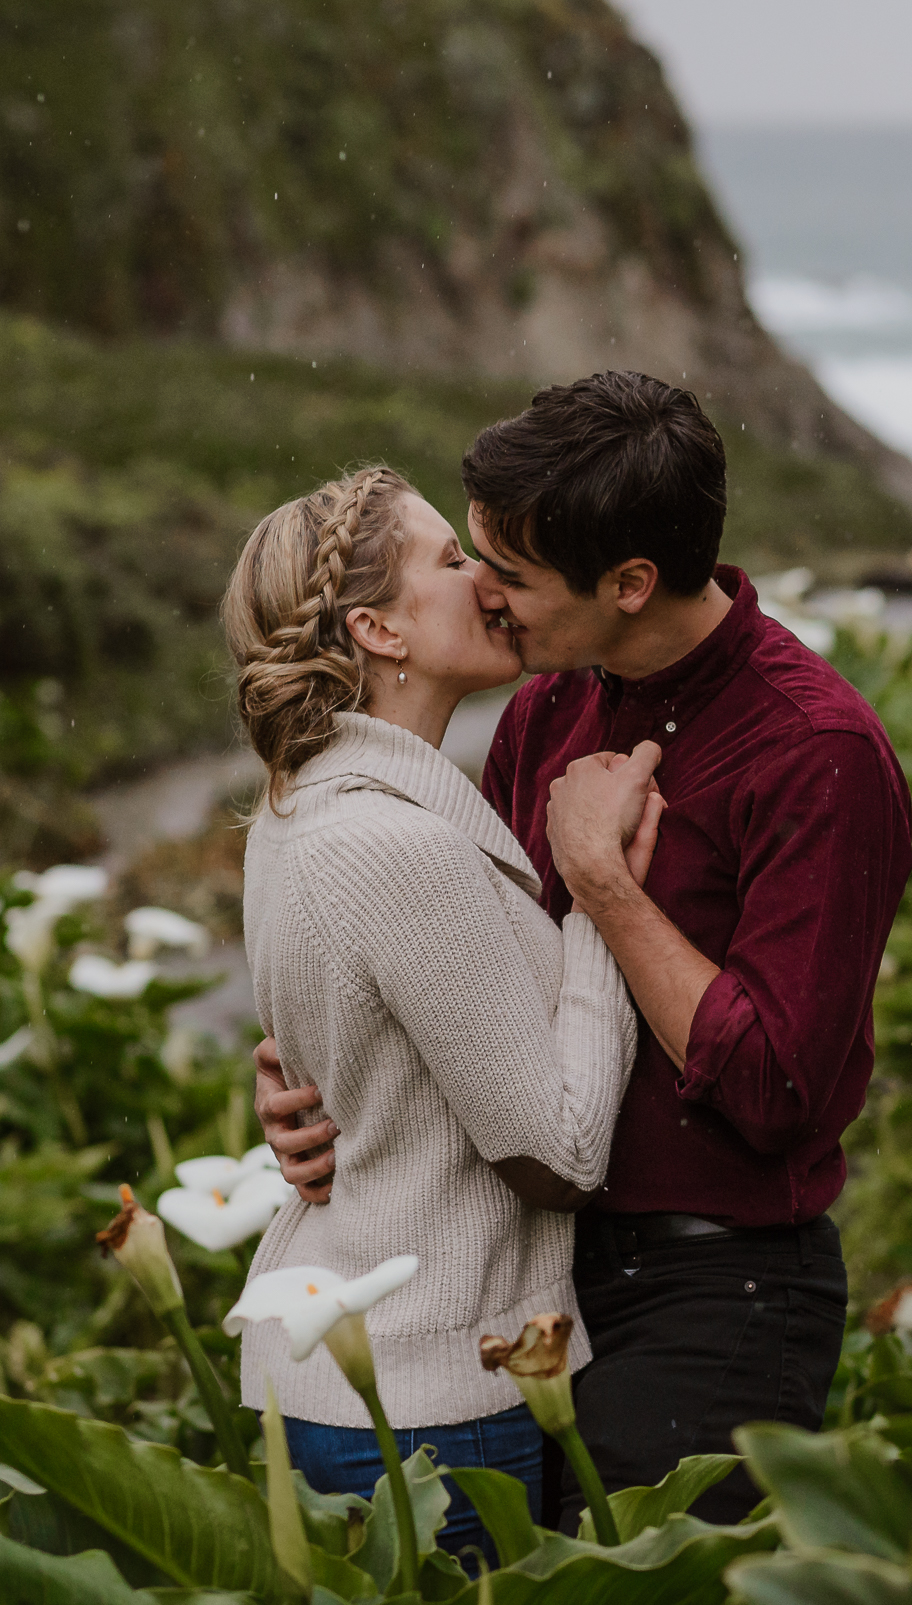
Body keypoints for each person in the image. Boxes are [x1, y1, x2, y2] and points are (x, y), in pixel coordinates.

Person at [255, 371, 912, 1525]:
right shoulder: (546, 712)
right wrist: (329, 1076)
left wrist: (607, 886)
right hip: (535, 1280)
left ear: (629, 582)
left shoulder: (819, 753)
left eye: (509, 574)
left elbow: (778, 1092)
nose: (490, 599)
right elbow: (487, 989)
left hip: (717, 1290)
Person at [220, 464, 661, 1566]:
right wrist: (601, 898)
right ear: (378, 629)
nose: (489, 580)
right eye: (450, 561)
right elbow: (556, 1150)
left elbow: (361, 1051)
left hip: (363, 1382)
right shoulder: (393, 843)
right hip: (427, 1398)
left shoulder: (298, 806)